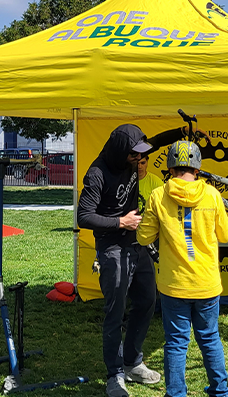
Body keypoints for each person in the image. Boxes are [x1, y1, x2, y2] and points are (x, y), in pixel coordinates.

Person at [137, 140, 228, 397]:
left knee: (177, 343)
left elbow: (144, 238)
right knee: (210, 339)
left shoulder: (158, 195)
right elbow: (225, 235)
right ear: (197, 168)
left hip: (174, 284)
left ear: (170, 168)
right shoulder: (212, 195)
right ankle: (220, 391)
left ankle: (176, 393)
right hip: (206, 283)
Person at [77, 124, 163, 397]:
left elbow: (158, 141)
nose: (138, 160)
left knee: (148, 300)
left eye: (141, 155)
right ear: (120, 151)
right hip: (112, 245)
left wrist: (186, 130)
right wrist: (120, 222)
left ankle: (132, 361)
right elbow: (83, 216)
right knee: (116, 311)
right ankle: (115, 374)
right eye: (133, 156)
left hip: (137, 243)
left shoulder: (133, 157)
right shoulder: (97, 173)